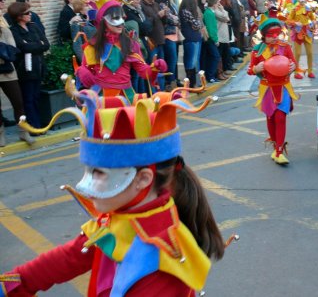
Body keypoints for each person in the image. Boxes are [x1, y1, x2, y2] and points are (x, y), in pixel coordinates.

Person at [0, 78, 225, 295]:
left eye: (99, 173)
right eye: (89, 171)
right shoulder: (118, 218)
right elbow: (67, 259)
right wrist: (13, 284)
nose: (86, 187)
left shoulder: (164, 259)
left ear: (143, 179)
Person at [75, 0, 166, 102]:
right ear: (103, 20)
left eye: (122, 17)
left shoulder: (131, 44)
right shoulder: (93, 46)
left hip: (126, 97)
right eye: (115, 18)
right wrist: (82, 71)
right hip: (101, 98)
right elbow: (84, 69)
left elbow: (143, 72)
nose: (121, 22)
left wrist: (155, 67)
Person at [247, 9, 297, 165]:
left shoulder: (285, 47)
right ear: (264, 35)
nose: (275, 37)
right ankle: (276, 147)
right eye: (271, 34)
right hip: (267, 89)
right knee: (270, 118)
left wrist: (293, 67)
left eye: (278, 33)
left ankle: (279, 151)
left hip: (283, 87)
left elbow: (293, 62)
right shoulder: (257, 51)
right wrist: (257, 68)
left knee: (280, 117)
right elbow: (250, 70)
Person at [8, 2, 50, 129]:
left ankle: (38, 123)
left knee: (36, 97)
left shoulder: (34, 26)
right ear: (19, 16)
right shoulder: (13, 30)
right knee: (28, 98)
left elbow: (46, 44)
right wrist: (37, 45)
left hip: (39, 66)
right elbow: (22, 47)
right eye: (27, 13)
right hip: (25, 70)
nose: (30, 14)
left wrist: (32, 46)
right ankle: (33, 126)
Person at [0, 0, 34, 146]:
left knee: (18, 102)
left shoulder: (5, 29)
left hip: (7, 71)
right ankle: (0, 135)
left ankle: (23, 131)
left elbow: (13, 50)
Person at [287, 0, 318, 79]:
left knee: (310, 53)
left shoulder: (308, 9)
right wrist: (295, 22)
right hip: (298, 33)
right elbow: (288, 20)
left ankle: (310, 71)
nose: (302, 0)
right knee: (297, 53)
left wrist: (314, 22)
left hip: (307, 32)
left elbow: (313, 18)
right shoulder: (294, 9)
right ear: (298, 0)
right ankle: (296, 72)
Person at [141, 0, 167, 89]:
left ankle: (161, 88)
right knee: (153, 68)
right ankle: (153, 91)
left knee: (162, 67)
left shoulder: (156, 5)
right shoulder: (142, 6)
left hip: (160, 40)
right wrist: (158, 15)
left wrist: (164, 15)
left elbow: (162, 22)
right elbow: (146, 23)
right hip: (151, 41)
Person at [156, 0, 180, 92]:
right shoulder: (161, 5)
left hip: (174, 35)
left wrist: (175, 19)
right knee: (171, 61)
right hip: (168, 36)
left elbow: (176, 18)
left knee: (173, 61)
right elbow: (172, 20)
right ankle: (169, 83)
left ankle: (173, 81)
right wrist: (175, 19)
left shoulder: (170, 4)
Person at [179, 0, 205, 88]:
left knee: (193, 61)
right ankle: (191, 83)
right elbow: (197, 24)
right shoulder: (185, 11)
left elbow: (197, 24)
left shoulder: (188, 11)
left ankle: (193, 82)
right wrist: (196, 24)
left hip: (194, 37)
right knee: (191, 61)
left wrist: (196, 24)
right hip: (191, 38)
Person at [202, 0, 223, 83]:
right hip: (211, 39)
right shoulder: (209, 13)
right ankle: (210, 76)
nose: (218, 5)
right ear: (214, 4)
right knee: (215, 56)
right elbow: (211, 28)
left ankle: (210, 75)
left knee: (211, 57)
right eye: (217, 3)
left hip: (210, 38)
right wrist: (215, 39)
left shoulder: (208, 12)